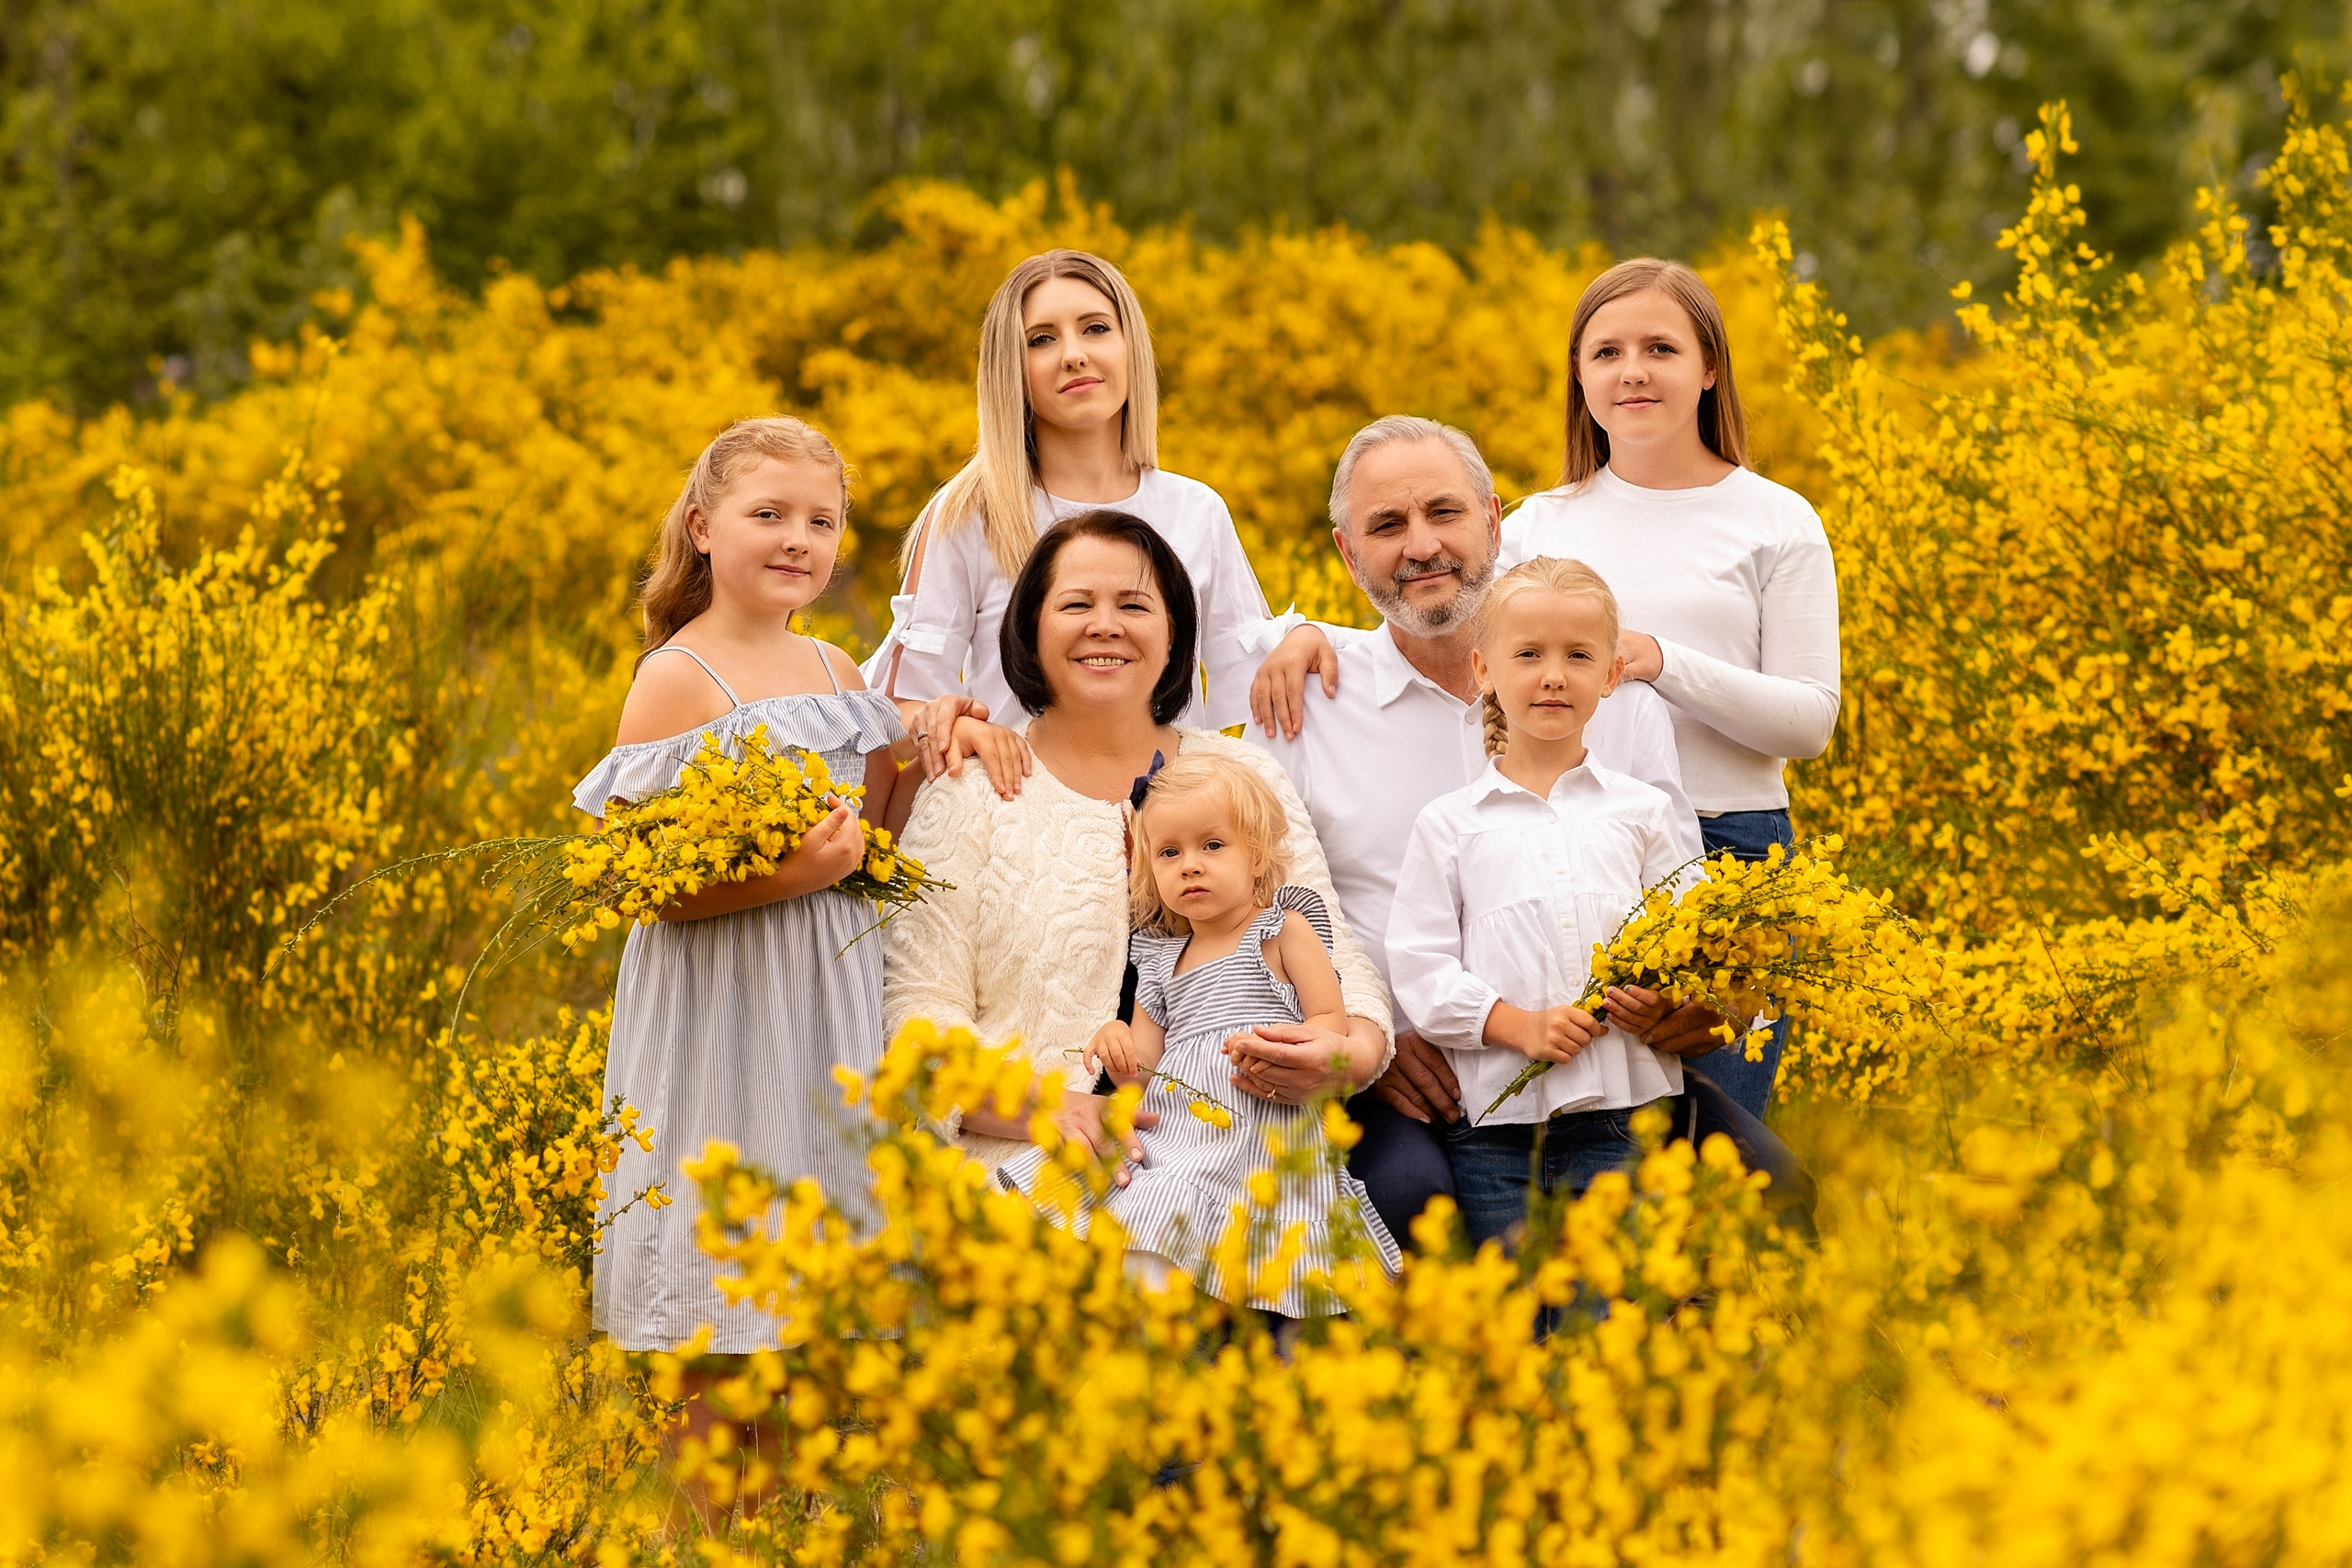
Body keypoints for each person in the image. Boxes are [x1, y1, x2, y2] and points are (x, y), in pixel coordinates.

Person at [1250, 259, 1841, 1120]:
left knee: (1718, 1147)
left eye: (1661, 348)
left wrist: (1656, 659)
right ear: (1579, 376)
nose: (1633, 369)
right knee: (1579, 1111)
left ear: (1710, 366)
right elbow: (1440, 605)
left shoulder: (1776, 518)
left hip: (1730, 844)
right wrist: (1300, 637)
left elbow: (1809, 720)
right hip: (1571, 840)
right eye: (1607, 351)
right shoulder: (1542, 524)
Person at [1241, 416, 1710, 1245]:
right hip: (1413, 1071)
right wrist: (1370, 1038)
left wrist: (1693, 996)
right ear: (1350, 556)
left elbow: (1681, 894)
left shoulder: (1620, 701)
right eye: (1386, 526)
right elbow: (1261, 914)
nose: (1422, 546)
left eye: (1444, 514)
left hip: (1606, 1073)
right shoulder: (1305, 701)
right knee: (1419, 1209)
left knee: (1776, 1188)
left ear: (1494, 521)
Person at [571, 417, 907, 1506]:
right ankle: (714, 1520)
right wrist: (784, 881)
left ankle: (791, 1519)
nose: (796, 540)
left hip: (823, 1002)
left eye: (820, 521)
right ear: (704, 526)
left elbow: (857, 826)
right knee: (721, 1275)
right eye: (768, 516)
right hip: (721, 1007)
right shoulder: (677, 677)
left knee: (806, 1281)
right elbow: (623, 879)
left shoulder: (833, 664)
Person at [882, 509, 1393, 1181]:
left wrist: (1343, 1058)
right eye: (1075, 604)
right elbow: (917, 1012)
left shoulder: (1244, 775)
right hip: (1025, 1162)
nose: (1106, 625)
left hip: (1237, 1159)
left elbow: (1338, 962)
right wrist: (1049, 1107)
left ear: (1174, 632)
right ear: (1030, 629)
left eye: (1133, 604)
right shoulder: (968, 792)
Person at [997, 753, 1401, 1317]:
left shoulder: (1281, 930)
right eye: (1169, 852)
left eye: (1212, 846)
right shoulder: (1162, 958)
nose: (1190, 865)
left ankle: (1181, 1342)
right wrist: (1117, 1042)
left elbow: (1330, 1023)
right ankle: (1141, 1341)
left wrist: (1293, 1049)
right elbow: (1142, 1067)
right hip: (1180, 1128)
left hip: (1261, 1118)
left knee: (1209, 1236)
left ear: (1256, 857)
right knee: (1135, 1221)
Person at [865, 249, 1274, 797]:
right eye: (1041, 339)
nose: (1074, 355)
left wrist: (1307, 642)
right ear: (1010, 370)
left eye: (1096, 328)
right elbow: (902, 701)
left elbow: (1257, 693)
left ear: (1131, 346)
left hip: (1170, 842)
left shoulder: (1196, 510)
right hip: (1019, 825)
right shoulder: (970, 515)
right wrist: (956, 726)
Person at [1385, 558, 1690, 1248]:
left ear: (1611, 675)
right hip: (1495, 1125)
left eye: (1579, 656)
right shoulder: (1450, 823)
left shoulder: (1643, 812)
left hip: (1626, 1111)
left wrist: (1664, 996)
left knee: (1607, 1318)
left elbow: (1685, 934)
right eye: (1528, 654)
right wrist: (1512, 1024)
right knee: (1516, 1322)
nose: (1554, 675)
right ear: (1484, 670)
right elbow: (1421, 964)